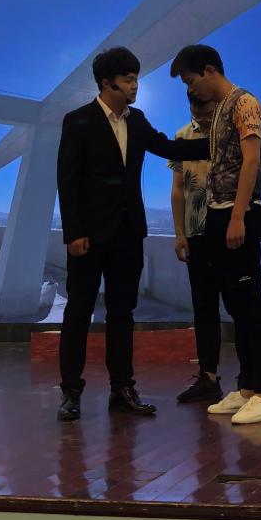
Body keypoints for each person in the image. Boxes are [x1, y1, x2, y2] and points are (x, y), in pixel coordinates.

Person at [56, 46, 209, 423]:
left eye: (136, 79)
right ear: (107, 82)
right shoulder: (78, 120)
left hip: (128, 234)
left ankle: (122, 390)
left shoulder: (137, 120)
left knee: (122, 313)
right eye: (128, 80)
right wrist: (74, 232)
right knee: (78, 313)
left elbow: (169, 147)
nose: (135, 86)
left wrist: (217, 142)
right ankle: (71, 392)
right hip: (88, 237)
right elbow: (67, 181)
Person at [169, 44, 261, 424]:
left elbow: (251, 160)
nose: (191, 89)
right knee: (235, 306)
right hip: (217, 215)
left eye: (191, 80)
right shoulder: (219, 113)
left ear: (209, 70)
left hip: (238, 214)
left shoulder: (245, 103)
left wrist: (237, 216)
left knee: (250, 306)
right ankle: (247, 388)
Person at [169, 92, 223, 405]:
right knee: (203, 307)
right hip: (196, 234)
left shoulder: (229, 133)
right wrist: (180, 233)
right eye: (196, 112)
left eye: (208, 113)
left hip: (227, 229)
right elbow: (178, 190)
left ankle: (251, 382)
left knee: (240, 304)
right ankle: (208, 377)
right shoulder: (182, 136)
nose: (201, 118)